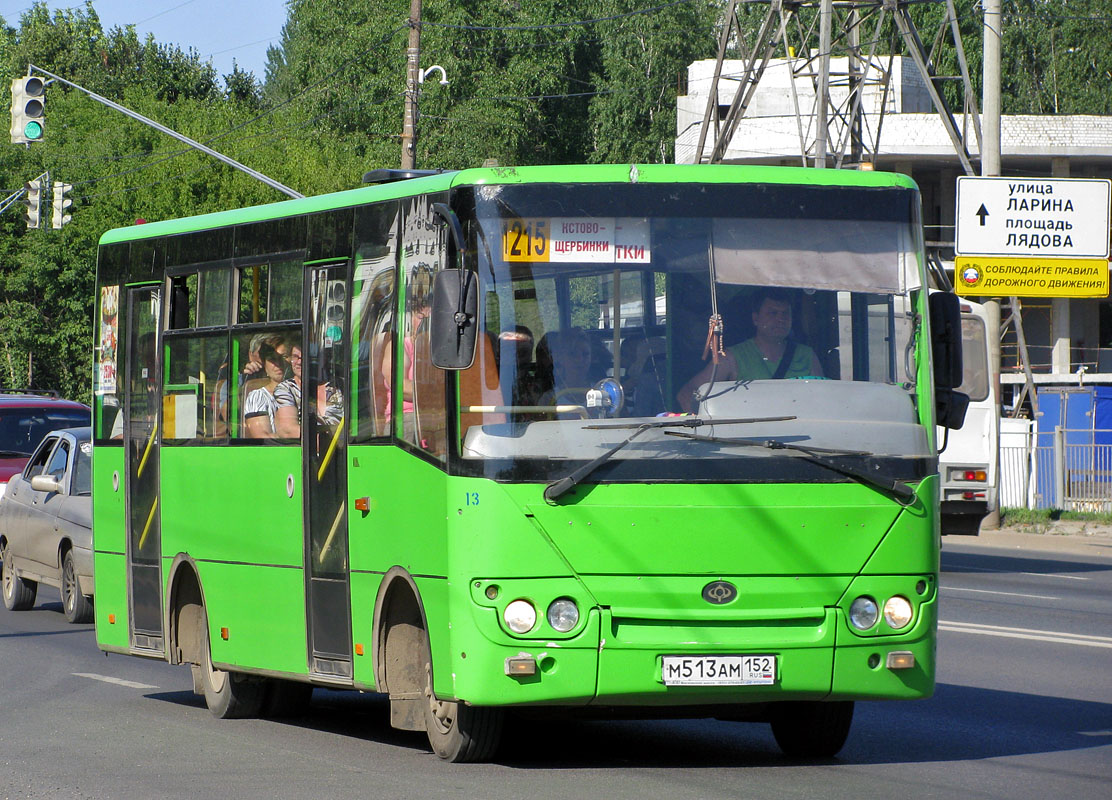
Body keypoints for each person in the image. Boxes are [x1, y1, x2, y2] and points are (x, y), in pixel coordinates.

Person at [677, 288, 823, 413]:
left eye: (785, 314)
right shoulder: (731, 358)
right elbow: (686, 394)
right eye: (772, 313)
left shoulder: (807, 356)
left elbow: (822, 400)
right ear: (756, 319)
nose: (780, 319)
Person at [274, 344, 344, 439]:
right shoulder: (286, 389)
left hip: (343, 451)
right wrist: (325, 442)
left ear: (323, 359)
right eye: (295, 357)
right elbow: (288, 430)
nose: (299, 362)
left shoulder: (340, 385)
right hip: (307, 451)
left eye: (305, 357)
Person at [242, 338, 291, 438]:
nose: (278, 364)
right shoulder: (258, 397)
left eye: (284, 357)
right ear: (264, 364)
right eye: (272, 359)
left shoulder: (303, 391)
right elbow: (263, 437)